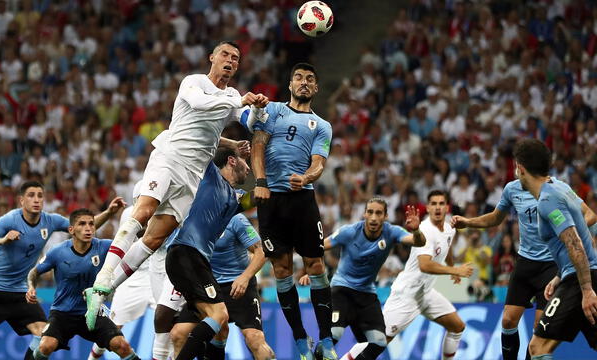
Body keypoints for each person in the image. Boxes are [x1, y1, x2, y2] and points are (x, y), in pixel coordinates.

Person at [86, 40, 269, 329]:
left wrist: (256, 107)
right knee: (144, 211)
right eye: (225, 54)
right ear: (211, 56)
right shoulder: (193, 83)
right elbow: (200, 105)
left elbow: (248, 120)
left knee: (154, 239)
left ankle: (102, 292)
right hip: (170, 158)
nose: (230, 60)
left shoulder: (232, 95)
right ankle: (101, 280)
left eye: (236, 57)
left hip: (192, 175)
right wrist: (240, 101)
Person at [0, 181, 124, 358]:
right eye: (31, 195)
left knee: (42, 333)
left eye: (40, 195)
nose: (36, 200)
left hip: (20, 291)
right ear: (21, 200)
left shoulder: (49, 220)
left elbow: (81, 227)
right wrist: (2, 240)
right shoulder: (10, 219)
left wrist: (108, 212)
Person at [451, 173, 597, 360]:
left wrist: (569, 230)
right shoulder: (512, 189)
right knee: (508, 319)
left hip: (552, 266)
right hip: (525, 262)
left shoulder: (558, 189)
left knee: (540, 328)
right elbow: (496, 218)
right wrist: (469, 222)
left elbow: (590, 215)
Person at [250, 62, 336, 360]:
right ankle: (301, 341)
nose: (303, 82)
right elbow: (258, 144)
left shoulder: (322, 125)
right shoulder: (272, 110)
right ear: (290, 84)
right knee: (282, 270)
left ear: (316, 88)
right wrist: (260, 181)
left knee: (315, 266)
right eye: (298, 77)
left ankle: (326, 340)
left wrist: (308, 177)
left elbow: (319, 162)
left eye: (310, 79)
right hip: (270, 199)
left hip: (302, 201)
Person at [302, 198, 427, 360]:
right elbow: (318, 247)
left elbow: (419, 242)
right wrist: (310, 270)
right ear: (364, 214)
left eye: (378, 213)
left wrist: (416, 230)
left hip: (366, 294)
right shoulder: (349, 231)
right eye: (370, 212)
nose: (374, 217)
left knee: (380, 342)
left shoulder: (391, 232)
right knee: (335, 333)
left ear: (385, 216)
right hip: (341, 290)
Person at [165, 145, 257, 360]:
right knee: (219, 314)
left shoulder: (234, 199)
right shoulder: (210, 175)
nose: (249, 168)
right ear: (232, 161)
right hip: (187, 252)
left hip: (192, 259)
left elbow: (260, 195)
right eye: (245, 161)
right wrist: (234, 144)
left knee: (218, 323)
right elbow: (209, 136)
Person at [511, 139, 597, 359]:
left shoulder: (547, 200)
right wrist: (559, 275)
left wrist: (586, 290)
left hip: (579, 282)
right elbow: (583, 230)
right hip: (581, 275)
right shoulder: (561, 187)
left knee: (537, 347)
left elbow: (574, 242)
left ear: (520, 168)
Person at [26, 208, 140, 360]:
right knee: (46, 346)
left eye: (91, 224)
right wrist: (31, 287)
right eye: (82, 224)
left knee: (122, 345)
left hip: (93, 313)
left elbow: (130, 245)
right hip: (62, 313)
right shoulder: (58, 252)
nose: (88, 228)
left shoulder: (104, 246)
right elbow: (34, 272)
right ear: (71, 229)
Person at [88, 181, 183, 360]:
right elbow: (140, 237)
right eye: (142, 200)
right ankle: (92, 358)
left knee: (170, 325)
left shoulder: (175, 210)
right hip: (134, 275)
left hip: (164, 270)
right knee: (113, 326)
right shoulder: (129, 214)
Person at [382, 190, 473, 360]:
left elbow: (447, 246)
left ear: (447, 207)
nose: (438, 208)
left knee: (457, 327)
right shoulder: (425, 230)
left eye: (441, 204)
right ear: (428, 208)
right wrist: (455, 270)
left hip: (425, 293)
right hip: (407, 293)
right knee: (378, 341)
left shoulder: (449, 228)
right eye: (433, 204)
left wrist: (452, 267)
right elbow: (425, 265)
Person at [170, 213, 275, 359]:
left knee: (254, 338)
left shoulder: (236, 219)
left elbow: (261, 251)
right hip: (208, 286)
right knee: (178, 334)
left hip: (238, 285)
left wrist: (245, 277)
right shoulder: (192, 217)